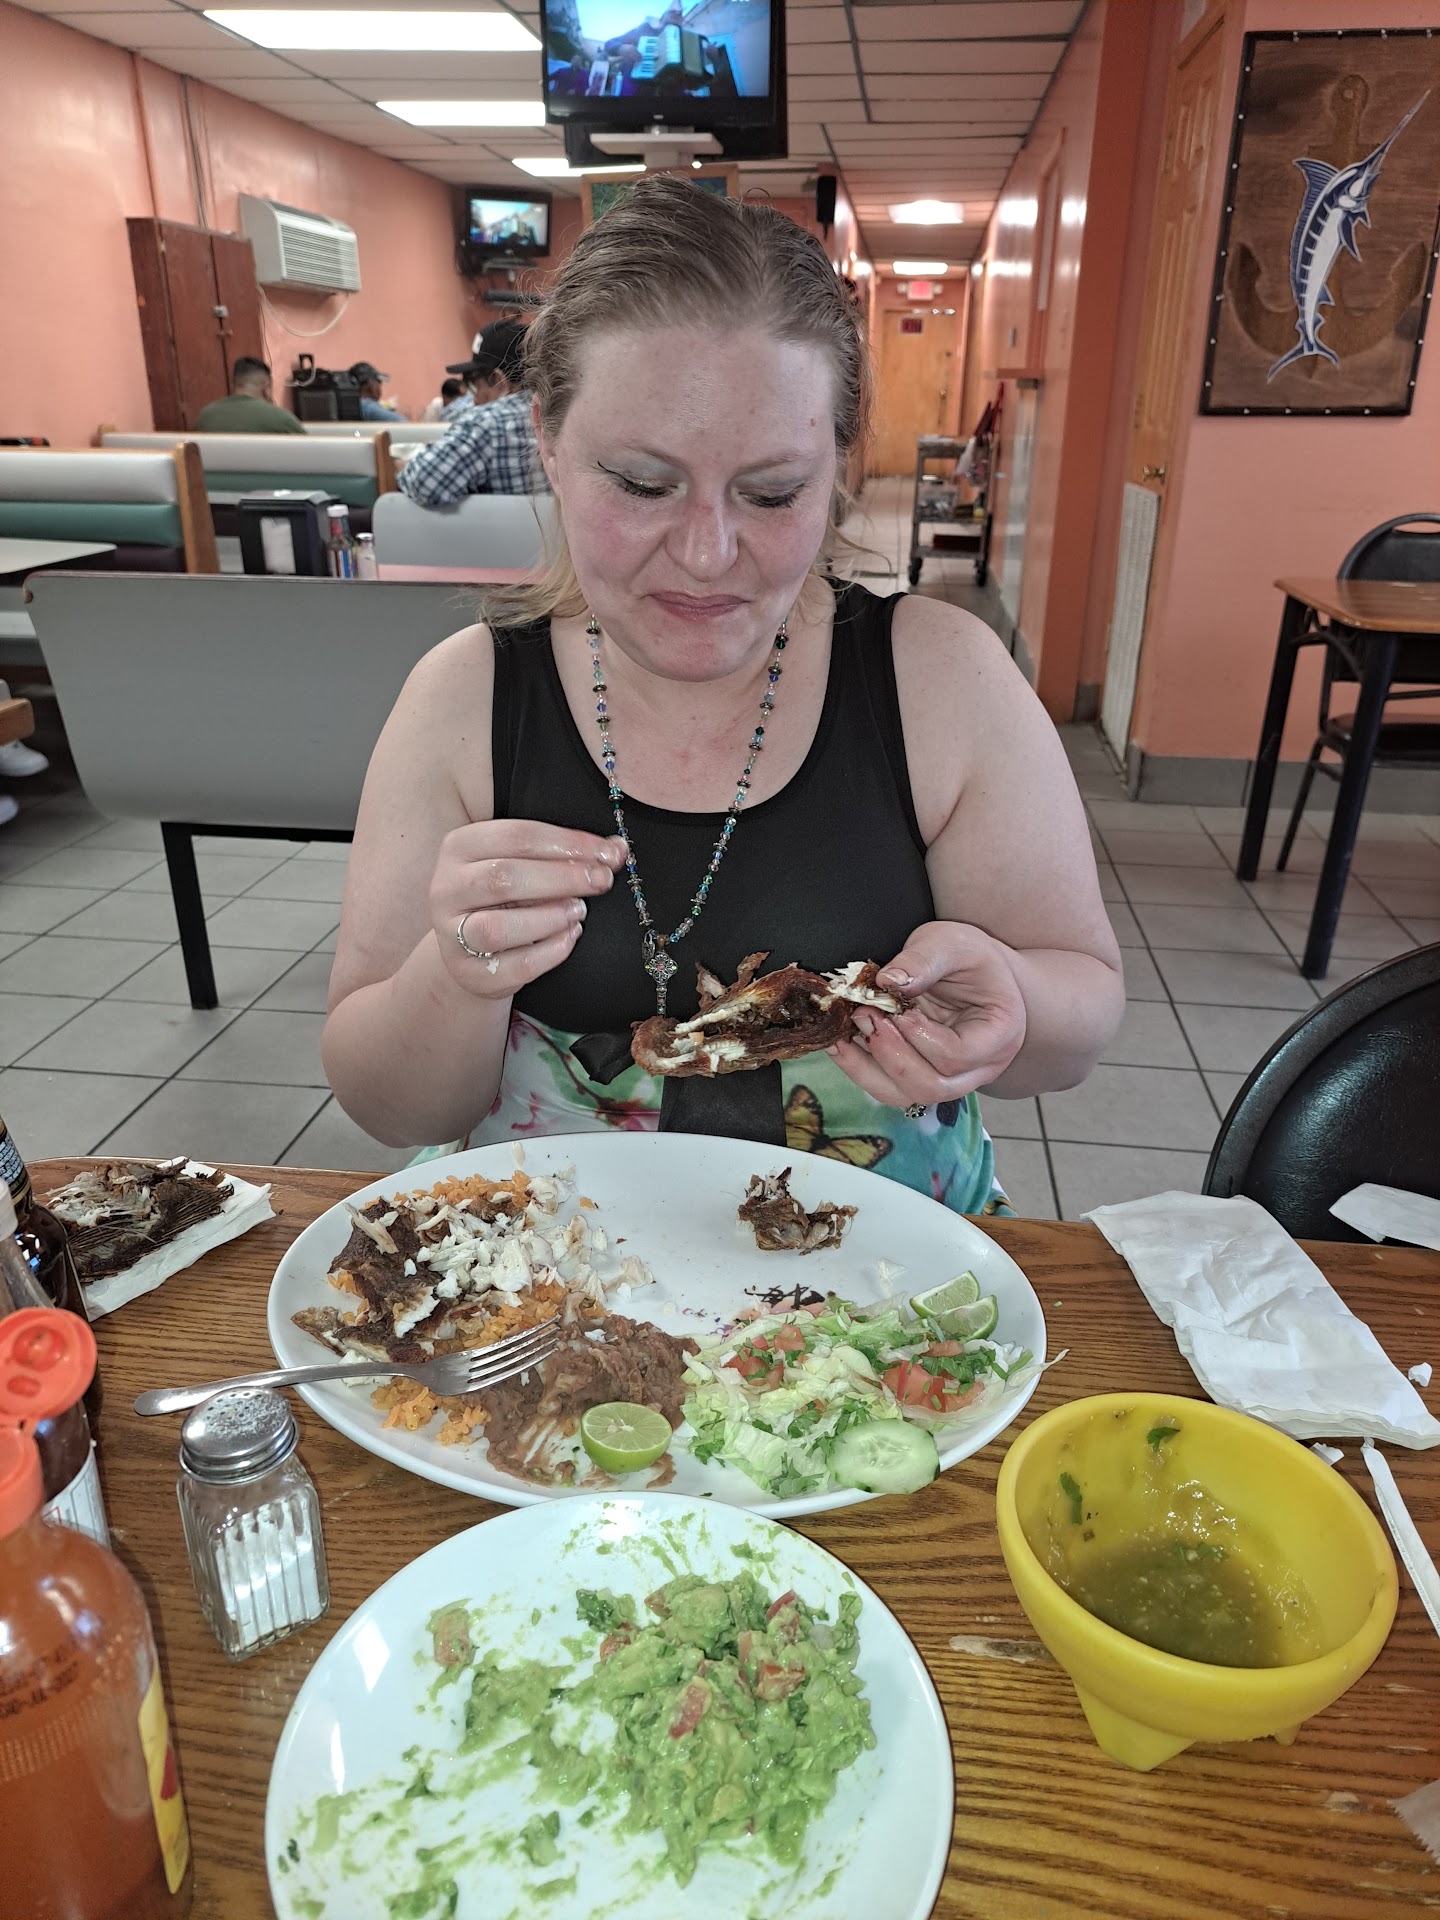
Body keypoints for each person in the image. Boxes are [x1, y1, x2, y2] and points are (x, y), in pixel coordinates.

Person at [322, 177, 1124, 1215]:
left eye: (772, 492)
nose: (706, 554)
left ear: (837, 465)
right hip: (542, 1274)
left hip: (886, 1279)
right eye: (641, 484)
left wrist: (1014, 1005)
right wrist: (456, 972)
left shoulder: (945, 681)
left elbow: (1078, 1022)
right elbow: (388, 1105)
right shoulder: (463, 698)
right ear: (549, 445)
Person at [397, 320, 546, 507]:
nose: (473, 398)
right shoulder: (562, 413)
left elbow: (423, 483)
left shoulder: (486, 423)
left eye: (474, 383)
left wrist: (401, 465)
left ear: (498, 379)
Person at [194, 356, 305, 434]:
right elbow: (309, 452)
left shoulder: (205, 416)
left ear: (234, 385)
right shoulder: (280, 418)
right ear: (266, 388)